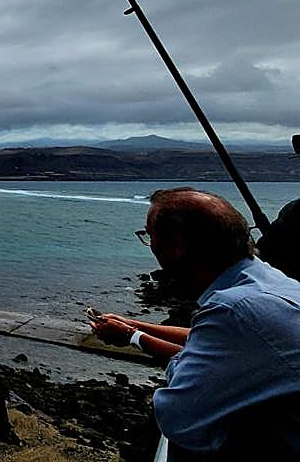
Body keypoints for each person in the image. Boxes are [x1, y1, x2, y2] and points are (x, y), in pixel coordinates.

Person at [92, 187, 300, 458]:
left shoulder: (232, 310)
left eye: (149, 236)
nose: (150, 246)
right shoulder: (269, 280)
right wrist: (135, 326)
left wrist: (133, 338)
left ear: (177, 245)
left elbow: (175, 415)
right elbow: (202, 340)